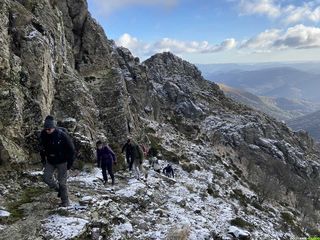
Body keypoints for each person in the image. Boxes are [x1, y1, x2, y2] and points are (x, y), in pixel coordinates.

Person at [40, 115, 75, 207]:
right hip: (50, 161)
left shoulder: (61, 135)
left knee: (62, 182)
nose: (47, 131)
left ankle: (65, 202)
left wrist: (69, 164)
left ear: (53, 127)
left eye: (49, 129)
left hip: (62, 161)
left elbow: (71, 149)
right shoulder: (43, 134)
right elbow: (41, 148)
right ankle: (58, 189)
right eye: (46, 129)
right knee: (46, 178)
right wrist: (43, 160)